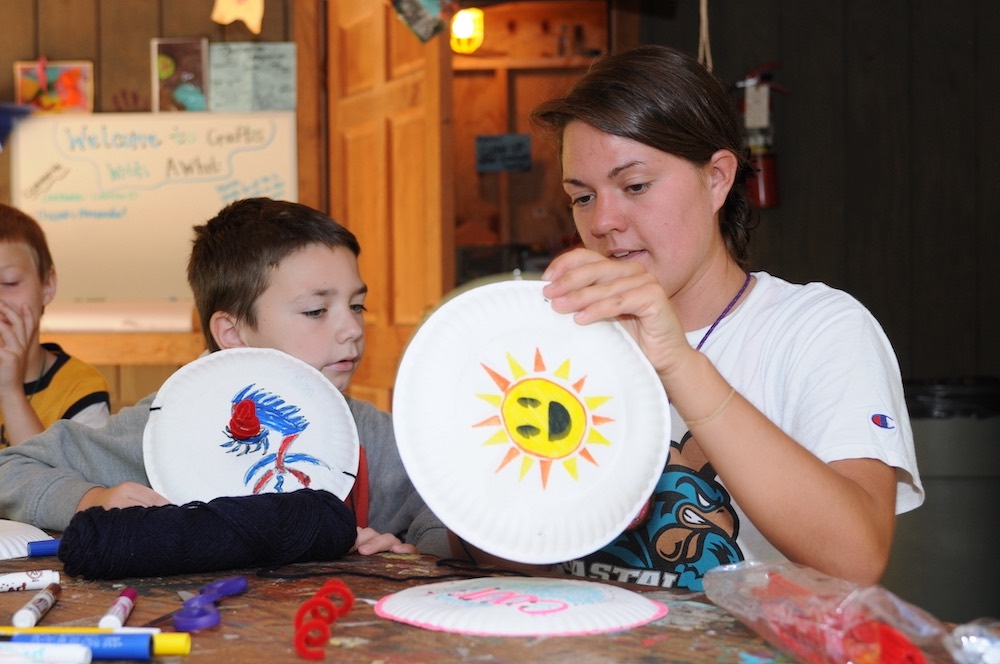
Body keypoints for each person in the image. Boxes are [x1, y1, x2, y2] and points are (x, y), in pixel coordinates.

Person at [516, 45, 922, 591]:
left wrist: (678, 362)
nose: (604, 221)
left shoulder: (818, 329)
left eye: (635, 186)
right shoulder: (563, 338)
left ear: (717, 179)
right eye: (582, 196)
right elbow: (502, 552)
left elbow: (856, 557)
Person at [0, 198, 447, 557]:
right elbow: (10, 468)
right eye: (316, 311)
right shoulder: (162, 429)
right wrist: (90, 499)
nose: (351, 329)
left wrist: (412, 553)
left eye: (356, 306)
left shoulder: (373, 434)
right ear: (232, 333)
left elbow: (449, 506)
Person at [0, 203, 110, 448]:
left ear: (47, 286)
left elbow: (61, 484)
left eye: (9, 282)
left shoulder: (81, 389)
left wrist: (9, 391)